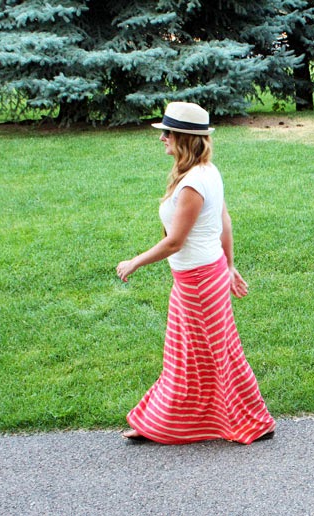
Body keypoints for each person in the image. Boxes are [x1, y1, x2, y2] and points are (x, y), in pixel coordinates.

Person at [116, 102, 275, 444]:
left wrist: (134, 262)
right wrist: (228, 266)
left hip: (199, 282)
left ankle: (252, 421)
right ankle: (164, 422)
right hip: (202, 277)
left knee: (205, 356)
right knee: (194, 355)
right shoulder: (207, 172)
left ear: (183, 138)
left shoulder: (193, 185)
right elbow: (224, 220)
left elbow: (175, 242)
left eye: (167, 133)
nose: (162, 138)